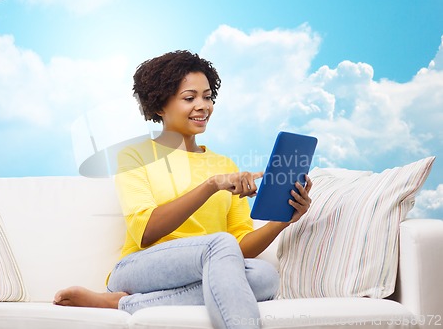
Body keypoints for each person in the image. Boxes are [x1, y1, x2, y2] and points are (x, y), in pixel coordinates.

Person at [54, 50, 312, 329]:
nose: (203, 106)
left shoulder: (223, 163)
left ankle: (119, 303)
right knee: (220, 245)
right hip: (140, 268)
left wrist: (282, 221)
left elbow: (240, 248)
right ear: (159, 106)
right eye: (189, 98)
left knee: (264, 275)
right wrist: (211, 186)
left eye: (207, 96)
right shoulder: (134, 156)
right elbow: (145, 231)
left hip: (209, 266)